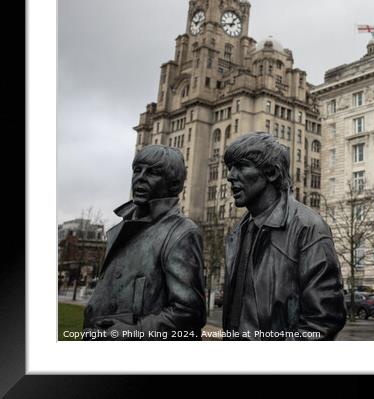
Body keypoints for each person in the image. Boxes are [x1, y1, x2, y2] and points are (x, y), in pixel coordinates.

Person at [222, 132, 346, 340]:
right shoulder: (239, 231)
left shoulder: (308, 227)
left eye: (241, 166)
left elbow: (323, 321)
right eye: (230, 168)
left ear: (270, 173)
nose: (231, 176)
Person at [83, 145, 206, 340]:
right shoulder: (119, 230)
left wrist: (133, 332)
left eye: (153, 173)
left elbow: (189, 314)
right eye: (137, 170)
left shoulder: (181, 232)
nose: (140, 177)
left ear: (173, 184)